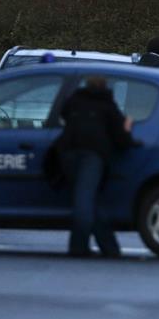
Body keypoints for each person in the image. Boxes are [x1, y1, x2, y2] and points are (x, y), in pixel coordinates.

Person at [56, 76, 135, 258]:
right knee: (85, 201)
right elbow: (122, 139)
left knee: (88, 198)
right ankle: (79, 246)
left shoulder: (75, 99)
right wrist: (128, 129)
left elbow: (63, 114)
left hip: (67, 152)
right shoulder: (107, 105)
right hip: (92, 154)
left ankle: (109, 248)